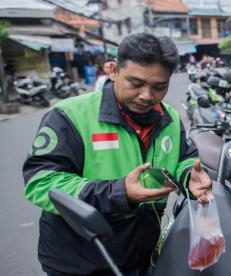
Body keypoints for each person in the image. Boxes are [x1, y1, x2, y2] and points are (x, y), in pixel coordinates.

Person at [23, 33, 212, 275]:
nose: (147, 95)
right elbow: (41, 183)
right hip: (79, 262)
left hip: (142, 256)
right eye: (136, 83)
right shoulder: (69, 116)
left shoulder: (171, 118)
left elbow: (183, 157)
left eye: (159, 86)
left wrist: (189, 176)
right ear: (113, 71)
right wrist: (120, 192)